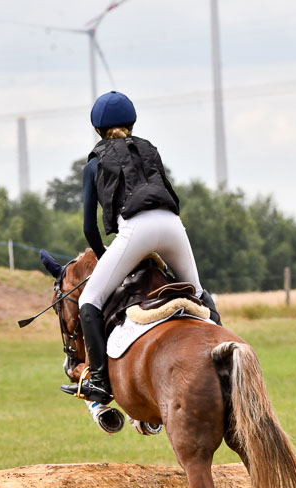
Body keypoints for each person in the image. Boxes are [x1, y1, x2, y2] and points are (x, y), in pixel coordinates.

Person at [61, 90, 221, 405]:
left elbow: (88, 227)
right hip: (174, 226)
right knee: (201, 295)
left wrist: (107, 259)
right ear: (132, 123)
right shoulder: (150, 150)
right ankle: (221, 364)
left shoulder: (94, 163)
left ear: (97, 129)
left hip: (136, 230)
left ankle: (99, 382)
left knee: (89, 301)